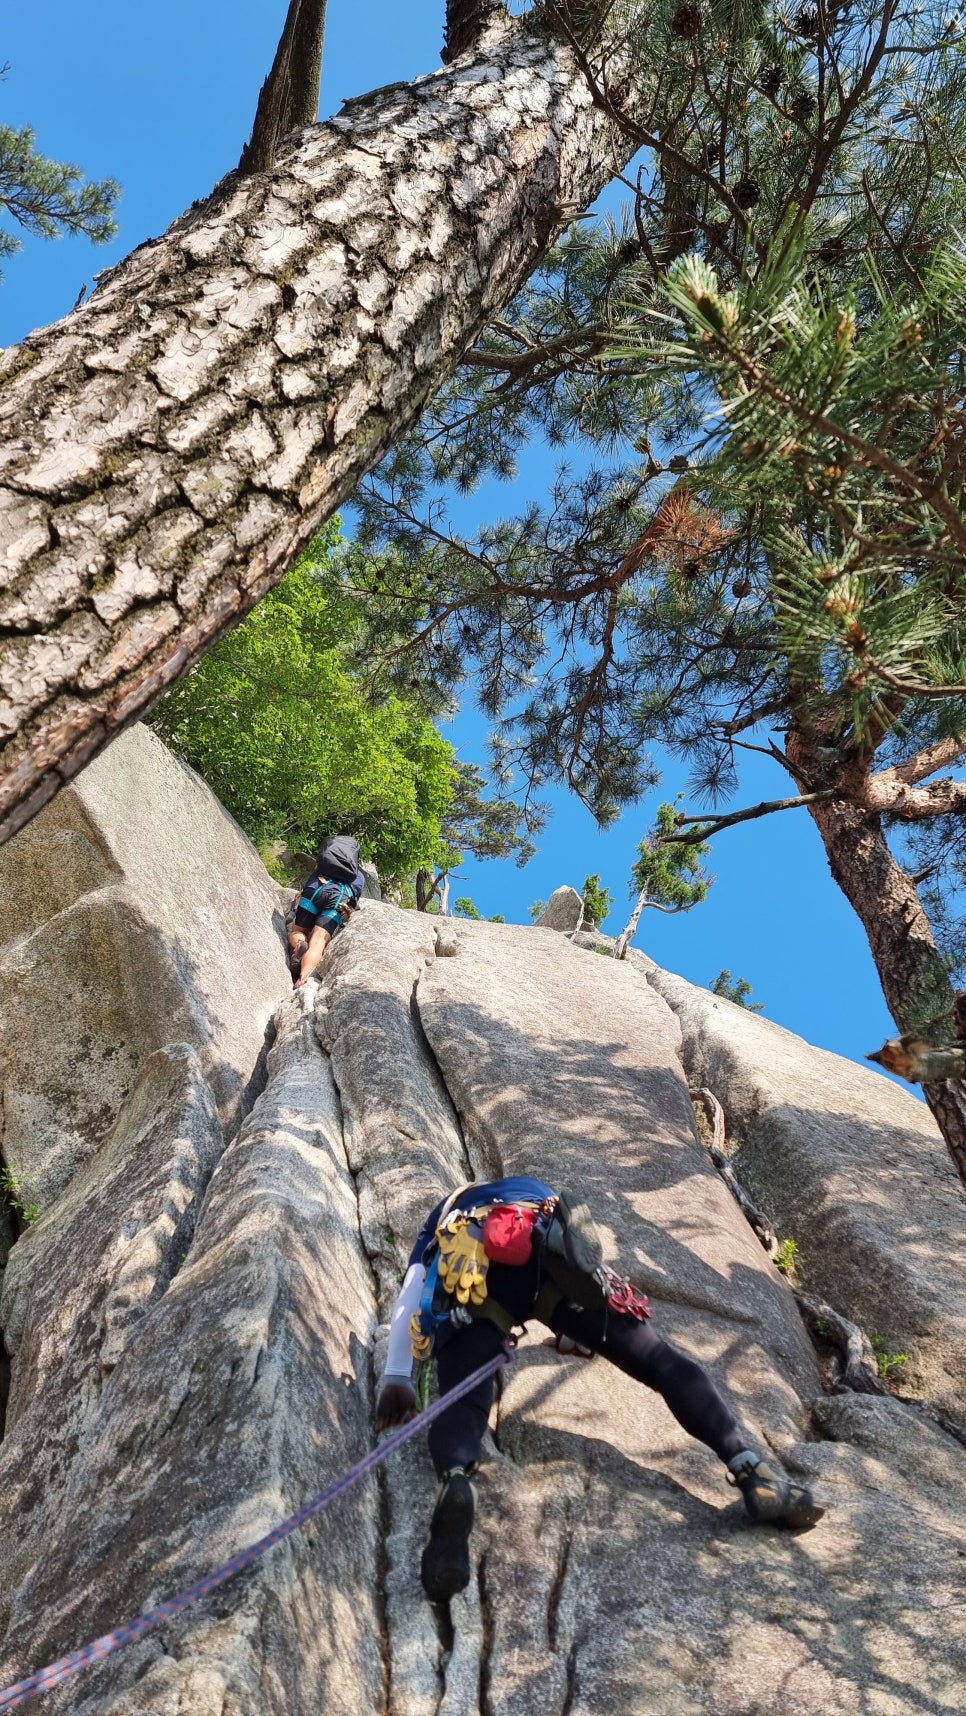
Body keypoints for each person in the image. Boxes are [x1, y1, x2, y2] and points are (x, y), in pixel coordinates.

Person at [375, 1176, 823, 1604]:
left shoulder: (447, 1212)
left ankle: (456, 1477)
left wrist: (398, 1378)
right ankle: (750, 1468)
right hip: (544, 1236)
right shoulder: (528, 1191)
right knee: (660, 1361)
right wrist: (573, 1334)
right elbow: (544, 1296)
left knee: (465, 1399)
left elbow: (414, 1290)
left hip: (471, 1260)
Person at [287, 834, 365, 985]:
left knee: (299, 931)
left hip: (315, 888)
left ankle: (299, 945)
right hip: (339, 896)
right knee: (318, 942)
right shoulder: (358, 875)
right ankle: (302, 980)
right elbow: (354, 899)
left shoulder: (324, 864)